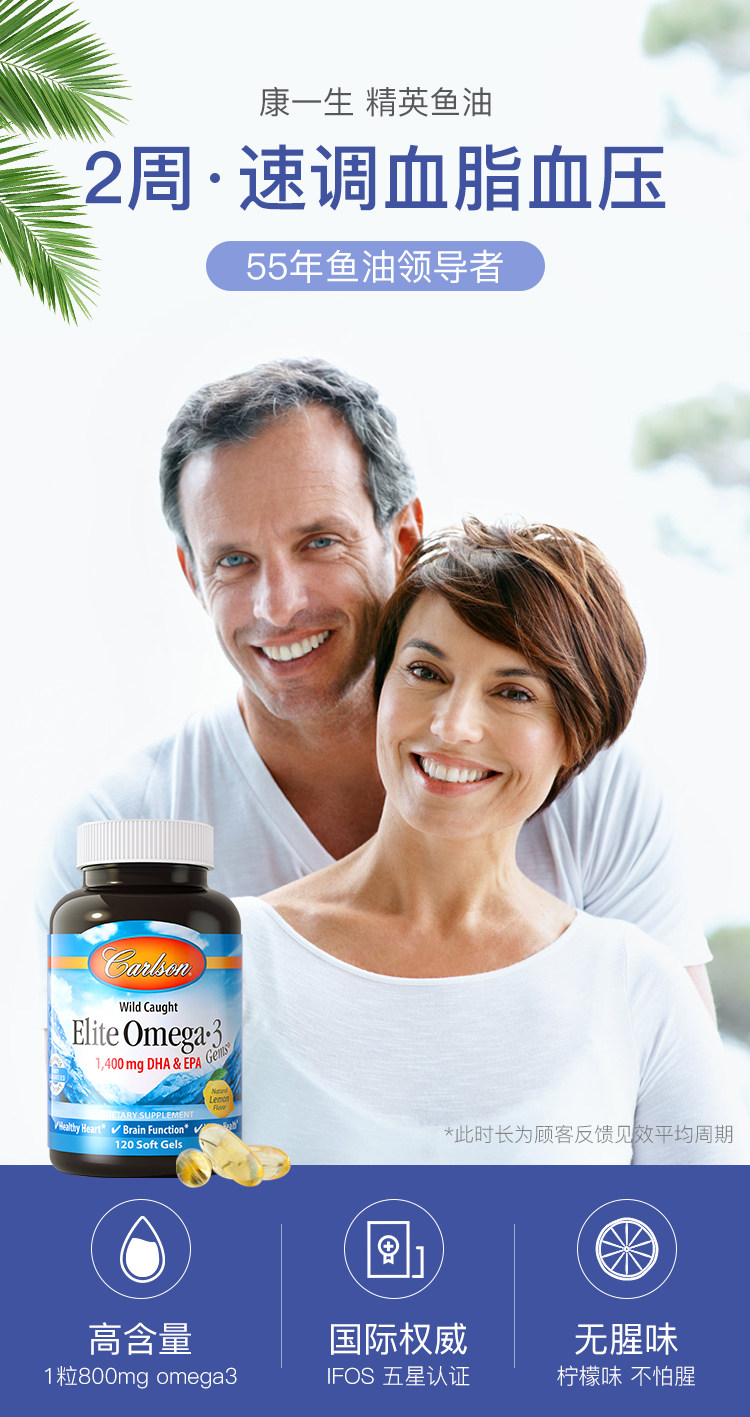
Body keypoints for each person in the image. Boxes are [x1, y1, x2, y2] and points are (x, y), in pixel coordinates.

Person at [37, 358, 712, 1013]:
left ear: (405, 536)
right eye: (234, 560)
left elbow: (671, 1071)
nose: (278, 605)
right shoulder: (119, 843)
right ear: (193, 576)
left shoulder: (590, 791)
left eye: (320, 543)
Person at [238, 520, 749, 1164]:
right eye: (425, 671)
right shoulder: (220, 960)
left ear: (577, 737)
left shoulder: (636, 988)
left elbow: (705, 1227)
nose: (453, 725)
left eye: (513, 692)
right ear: (381, 689)